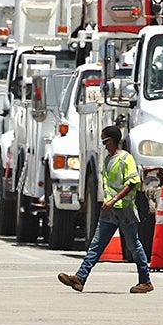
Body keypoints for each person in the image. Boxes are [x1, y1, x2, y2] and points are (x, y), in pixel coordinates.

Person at [58, 125, 153, 294]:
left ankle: (145, 281)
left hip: (124, 210)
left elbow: (132, 182)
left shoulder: (126, 158)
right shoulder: (107, 159)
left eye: (105, 140)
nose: (103, 144)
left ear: (112, 140)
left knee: (134, 246)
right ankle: (80, 278)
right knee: (96, 245)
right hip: (109, 210)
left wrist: (115, 199)